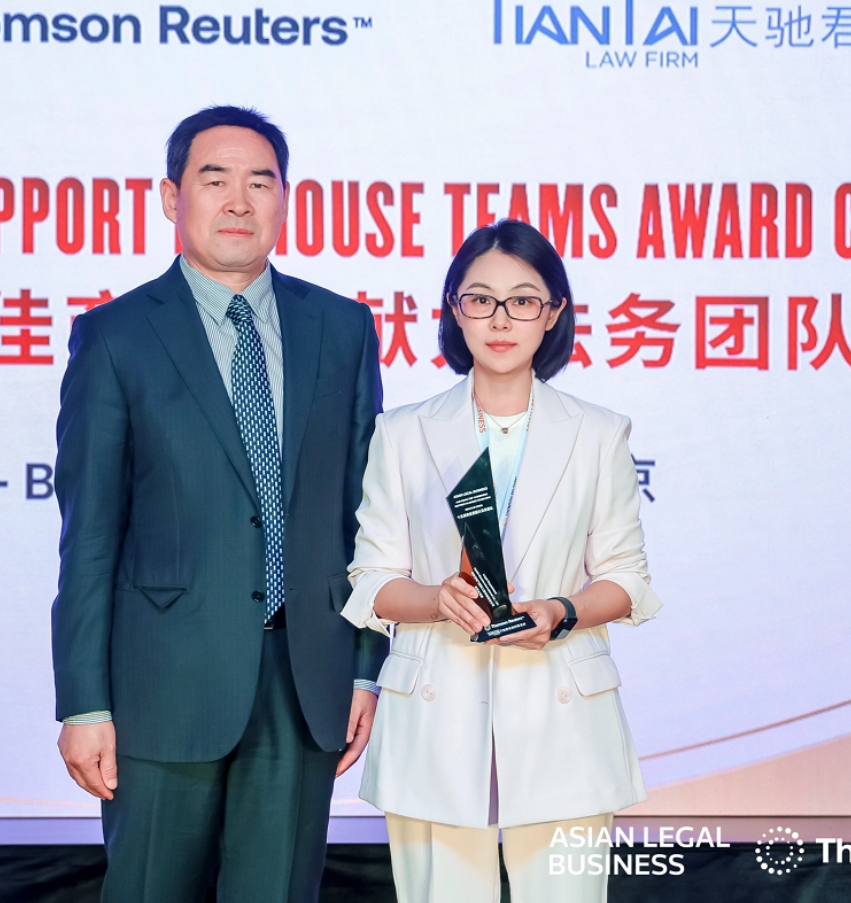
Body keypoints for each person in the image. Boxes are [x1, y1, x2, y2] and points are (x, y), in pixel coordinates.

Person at [52, 106, 387, 902]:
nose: (239, 201)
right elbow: (89, 535)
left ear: (284, 197)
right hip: (162, 685)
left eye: (260, 182)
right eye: (215, 180)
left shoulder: (342, 328)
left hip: (306, 681)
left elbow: (365, 518)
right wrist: (84, 702)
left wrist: (366, 668)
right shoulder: (116, 336)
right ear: (172, 197)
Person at [340, 220, 663, 902]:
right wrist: (436, 598)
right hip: (436, 708)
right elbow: (371, 580)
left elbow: (626, 579)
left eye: (523, 300)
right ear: (455, 310)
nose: (501, 318)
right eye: (481, 299)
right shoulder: (402, 432)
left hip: (563, 710)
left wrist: (562, 610)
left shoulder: (598, 432)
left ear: (554, 313)